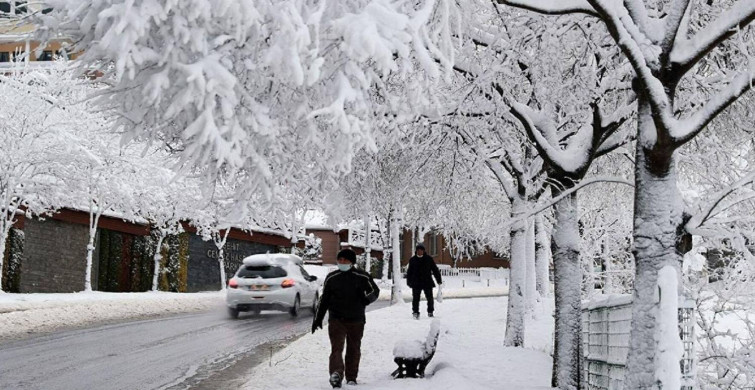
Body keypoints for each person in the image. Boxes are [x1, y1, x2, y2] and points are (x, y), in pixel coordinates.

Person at [312, 249, 379, 388]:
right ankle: (336, 374)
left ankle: (351, 376)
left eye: (345, 260)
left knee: (354, 348)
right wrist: (318, 318)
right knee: (336, 348)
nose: (342, 262)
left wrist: (365, 300)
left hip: (356, 319)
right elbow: (324, 299)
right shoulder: (332, 277)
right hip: (336, 319)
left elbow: (375, 291)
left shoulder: (362, 276)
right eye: (340, 260)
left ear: (352, 262)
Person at [406, 243, 442, 319]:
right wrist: (409, 282)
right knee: (415, 298)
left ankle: (430, 312)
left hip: (427, 282)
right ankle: (415, 312)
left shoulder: (428, 259)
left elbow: (435, 269)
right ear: (416, 251)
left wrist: (438, 279)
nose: (420, 252)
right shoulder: (412, 260)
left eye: (421, 250)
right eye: (418, 250)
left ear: (423, 251)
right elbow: (409, 272)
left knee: (430, 298)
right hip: (416, 282)